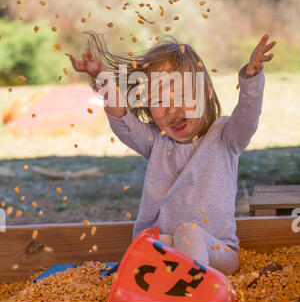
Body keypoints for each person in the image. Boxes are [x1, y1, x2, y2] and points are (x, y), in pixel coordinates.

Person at [67, 32, 277, 276]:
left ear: (207, 92)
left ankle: (192, 293)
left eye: (183, 96)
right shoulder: (155, 142)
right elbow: (121, 119)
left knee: (189, 233)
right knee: (148, 245)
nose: (173, 110)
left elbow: (248, 117)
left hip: (217, 252)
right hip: (164, 250)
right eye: (159, 100)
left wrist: (251, 78)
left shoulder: (225, 137)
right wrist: (103, 78)